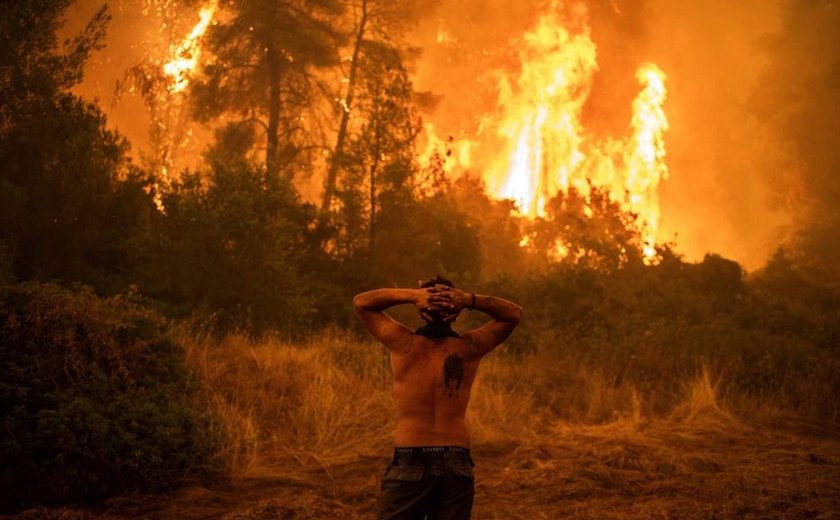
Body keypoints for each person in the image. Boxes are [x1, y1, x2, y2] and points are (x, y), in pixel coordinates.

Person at [353, 275, 523, 520]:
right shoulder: (469, 348)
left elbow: (362, 302)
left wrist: (413, 296)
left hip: (411, 457)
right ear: (455, 314)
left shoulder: (402, 343)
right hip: (456, 461)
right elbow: (513, 314)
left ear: (421, 312)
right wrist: (468, 299)